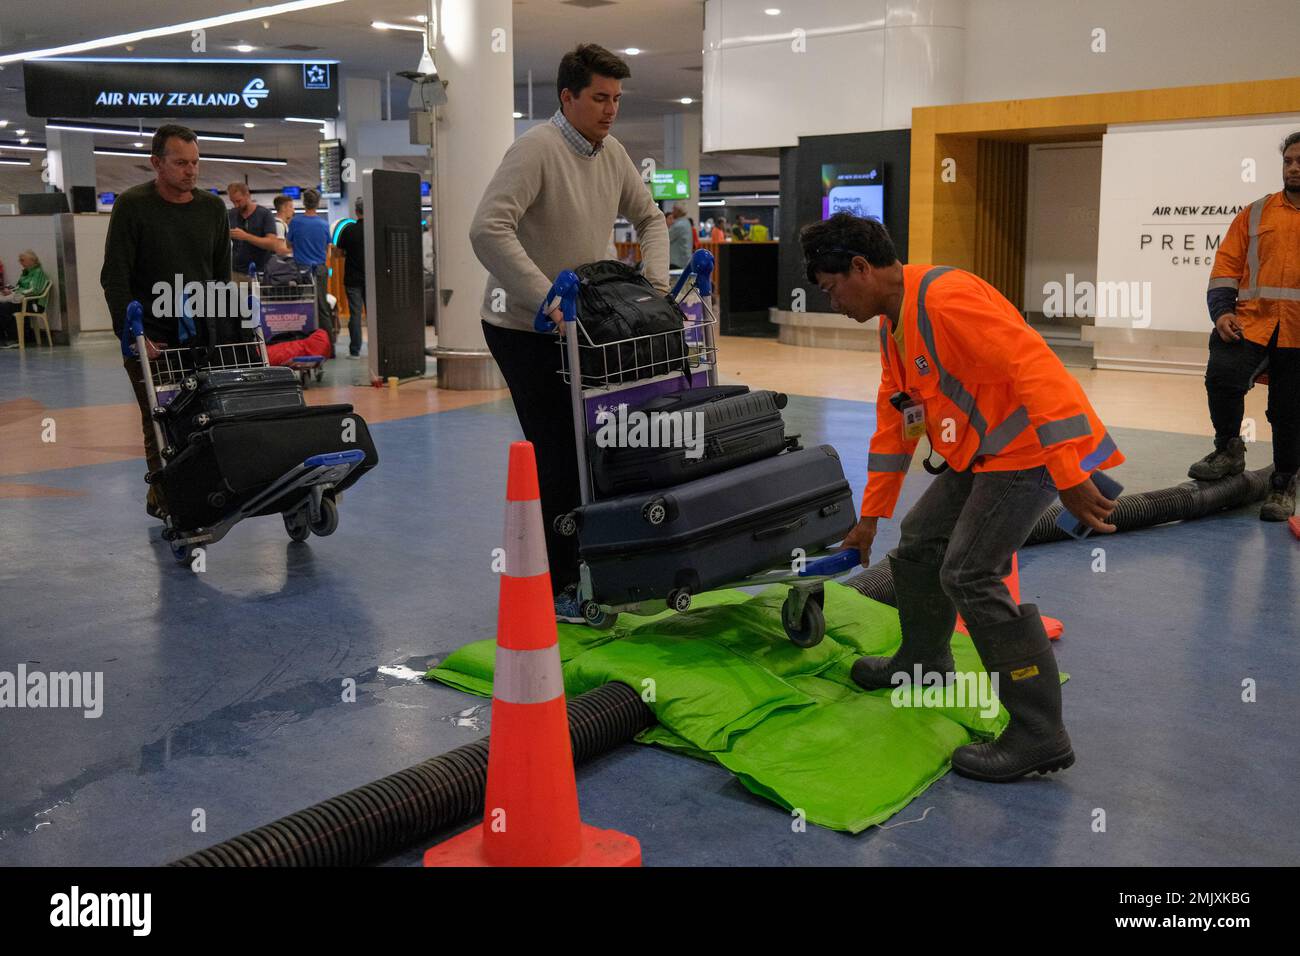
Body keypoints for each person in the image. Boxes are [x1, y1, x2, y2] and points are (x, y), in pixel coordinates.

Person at [801, 212, 1123, 783]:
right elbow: (897, 423)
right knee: (920, 543)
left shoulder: (945, 300)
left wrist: (1069, 471)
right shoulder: (892, 325)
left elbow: (1038, 370)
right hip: (978, 457)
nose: (832, 302)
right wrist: (871, 516)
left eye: (831, 288)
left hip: (1026, 453)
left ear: (860, 268)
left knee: (971, 573)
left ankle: (1039, 735)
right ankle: (924, 662)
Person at [469, 42, 670, 623]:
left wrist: (654, 283)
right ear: (568, 96)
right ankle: (561, 587)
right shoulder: (536, 149)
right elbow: (488, 230)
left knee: (598, 444)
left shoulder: (612, 153)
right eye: (599, 98)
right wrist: (547, 298)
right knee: (557, 451)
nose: (610, 110)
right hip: (522, 327)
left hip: (590, 324)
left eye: (617, 99)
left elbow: (651, 218)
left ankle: (599, 560)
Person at [100, 124, 232, 518]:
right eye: (180, 163)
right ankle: (168, 498)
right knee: (158, 418)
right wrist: (131, 337)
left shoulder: (211, 209)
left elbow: (220, 276)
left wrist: (223, 330)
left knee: (206, 414)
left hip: (200, 335)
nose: (190, 171)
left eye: (195, 163)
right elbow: (115, 277)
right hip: (150, 336)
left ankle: (202, 489)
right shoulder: (132, 206)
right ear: (156, 163)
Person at [1188, 131, 1300, 521]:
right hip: (1250, 323)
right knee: (1222, 375)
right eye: (1288, 161)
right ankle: (1229, 449)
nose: (1293, 167)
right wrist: (1221, 312)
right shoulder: (1255, 213)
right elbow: (1225, 270)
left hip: (1298, 334)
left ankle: (1284, 482)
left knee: (1289, 412)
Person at [285, 188, 336, 352]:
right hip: (320, 270)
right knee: (322, 307)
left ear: (303, 202)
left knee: (301, 307)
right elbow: (328, 248)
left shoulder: (295, 222)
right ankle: (330, 347)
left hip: (301, 271)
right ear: (318, 202)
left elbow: (288, 245)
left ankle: (303, 345)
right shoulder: (323, 224)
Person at [333, 197, 366, 358]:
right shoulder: (374, 229)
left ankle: (355, 351)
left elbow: (337, 254)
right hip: (372, 279)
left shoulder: (348, 229)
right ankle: (378, 348)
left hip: (353, 279)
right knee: (375, 315)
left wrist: (349, 252)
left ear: (356, 211)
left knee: (355, 314)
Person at [226, 183, 279, 280]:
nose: (236, 205)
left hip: (261, 272)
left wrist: (246, 236)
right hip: (237, 273)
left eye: (238, 201)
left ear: (247, 195)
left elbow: (272, 244)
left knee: (258, 295)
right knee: (239, 295)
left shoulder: (265, 214)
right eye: (233, 202)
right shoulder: (231, 215)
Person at [0, 250, 50, 348]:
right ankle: (3, 337)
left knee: (5, 308)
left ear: (32, 260)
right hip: (23, 300)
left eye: (22, 260)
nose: (20, 262)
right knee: (2, 306)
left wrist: (15, 293)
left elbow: (35, 290)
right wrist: (10, 290)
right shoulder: (25, 273)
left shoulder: (38, 272)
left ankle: (14, 338)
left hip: (34, 303)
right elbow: (20, 287)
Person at [667, 202, 693, 269]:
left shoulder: (679, 225)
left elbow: (666, 238)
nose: (672, 211)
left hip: (678, 263)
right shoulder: (686, 222)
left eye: (674, 209)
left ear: (679, 211)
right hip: (684, 261)